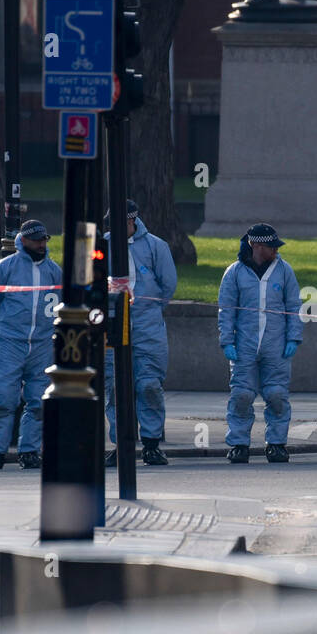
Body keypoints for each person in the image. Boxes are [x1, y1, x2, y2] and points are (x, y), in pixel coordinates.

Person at [0, 220, 63, 470]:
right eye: (36, 239)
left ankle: (29, 450)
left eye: (43, 239)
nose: (41, 244)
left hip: (42, 344)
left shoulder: (55, 271)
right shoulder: (3, 269)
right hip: (10, 343)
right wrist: (7, 330)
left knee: (39, 400)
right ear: (23, 240)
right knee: (4, 397)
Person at [217, 224, 303, 463]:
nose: (275, 251)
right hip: (244, 345)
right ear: (256, 246)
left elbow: (294, 307)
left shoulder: (284, 271)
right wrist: (227, 341)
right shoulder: (234, 273)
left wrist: (293, 338)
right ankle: (238, 443)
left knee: (276, 395)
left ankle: (276, 444)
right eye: (270, 246)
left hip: (275, 345)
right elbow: (226, 310)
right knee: (242, 395)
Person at [103, 199, 177, 466]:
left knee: (149, 385)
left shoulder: (156, 247)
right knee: (114, 388)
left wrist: (148, 311)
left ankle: (151, 444)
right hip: (112, 328)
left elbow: (168, 285)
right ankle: (121, 445)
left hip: (147, 327)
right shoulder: (104, 245)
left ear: (132, 220)